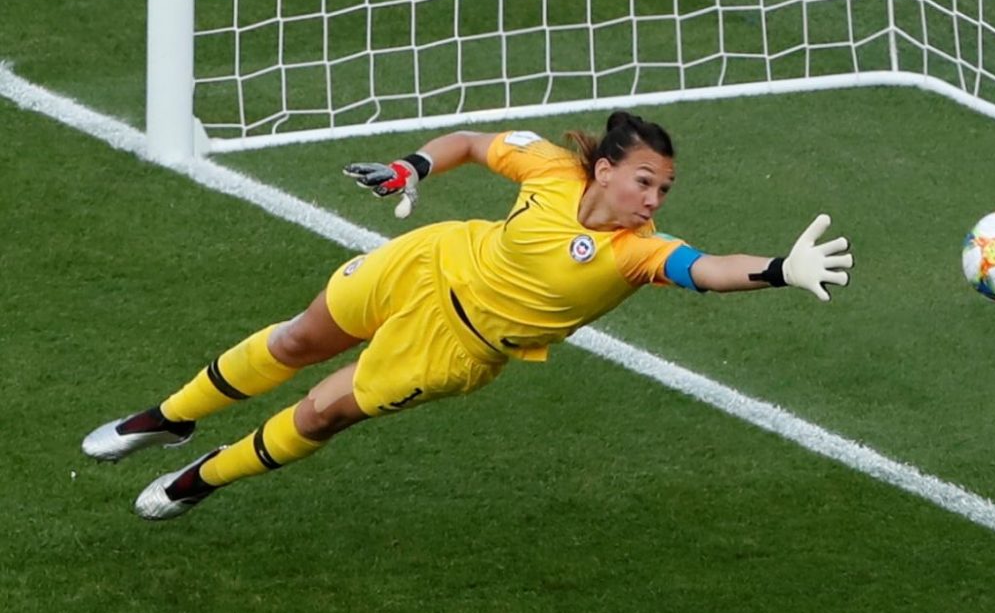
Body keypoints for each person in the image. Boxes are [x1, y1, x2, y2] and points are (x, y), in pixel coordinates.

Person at [81, 111, 853, 520]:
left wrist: (781, 270)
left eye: (664, 193)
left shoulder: (636, 253)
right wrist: (409, 166)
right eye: (645, 183)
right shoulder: (550, 167)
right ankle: (167, 417)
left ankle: (202, 478)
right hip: (429, 261)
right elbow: (472, 142)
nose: (653, 202)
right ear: (606, 169)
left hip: (456, 347)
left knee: (320, 413)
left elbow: (708, 270)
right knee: (296, 339)